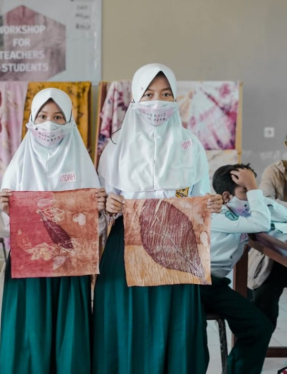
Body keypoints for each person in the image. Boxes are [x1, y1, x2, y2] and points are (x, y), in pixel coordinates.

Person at [95, 63, 223, 374]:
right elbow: (99, 202)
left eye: (166, 94)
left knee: (174, 324)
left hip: (177, 248)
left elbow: (200, 197)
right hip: (126, 246)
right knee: (128, 324)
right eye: (149, 93)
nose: (158, 102)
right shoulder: (116, 146)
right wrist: (108, 204)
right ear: (136, 96)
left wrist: (212, 203)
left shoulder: (190, 145)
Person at [0, 88, 107, 373]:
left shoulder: (83, 166)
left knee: (70, 341)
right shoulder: (18, 167)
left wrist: (97, 210)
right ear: (31, 121)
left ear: (70, 121)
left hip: (71, 268)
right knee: (29, 340)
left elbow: (95, 226)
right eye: (43, 116)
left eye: (58, 116)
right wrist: (7, 211)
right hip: (27, 268)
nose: (50, 124)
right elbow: (2, 227)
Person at [203, 163, 284, 373]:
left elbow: (272, 208)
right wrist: (254, 188)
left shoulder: (241, 210)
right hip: (194, 284)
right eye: (246, 190)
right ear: (228, 195)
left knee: (258, 328)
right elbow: (261, 223)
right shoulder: (218, 213)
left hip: (215, 286)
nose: (252, 196)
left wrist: (253, 190)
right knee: (195, 345)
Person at [248, 134, 287, 327]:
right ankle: (257, 347)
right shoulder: (275, 171)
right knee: (264, 301)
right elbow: (266, 203)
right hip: (275, 253)